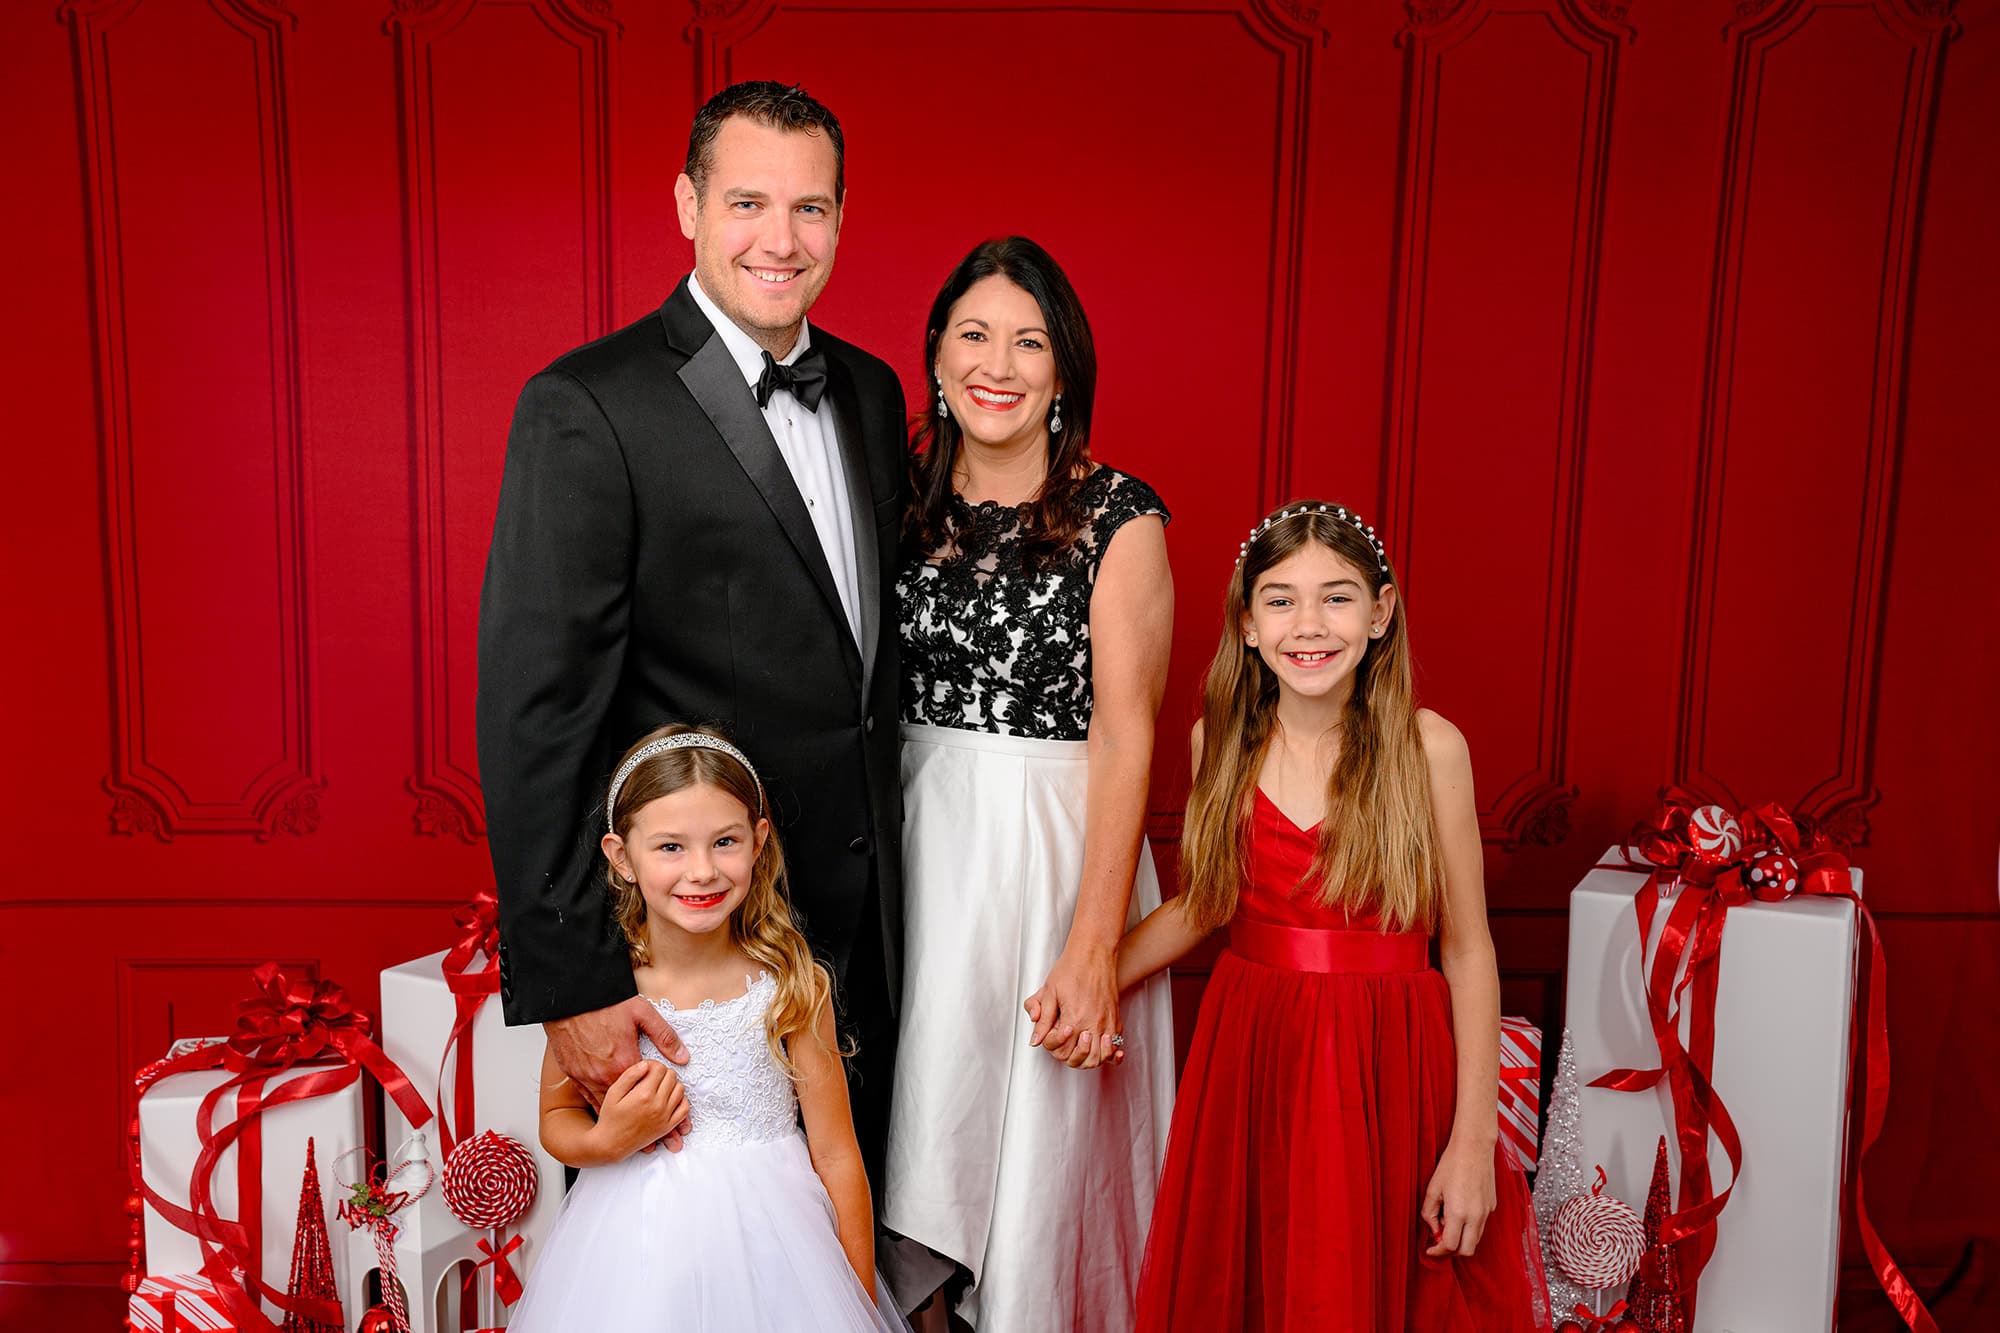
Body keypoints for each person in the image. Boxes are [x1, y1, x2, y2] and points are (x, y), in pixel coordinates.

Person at [476, 81, 906, 1174]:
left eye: (810, 209)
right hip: (690, 955)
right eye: (747, 202)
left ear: (842, 219)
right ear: (687, 204)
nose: (781, 238)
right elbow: (536, 717)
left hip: (870, 946)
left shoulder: (867, 389)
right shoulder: (586, 404)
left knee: (847, 1251)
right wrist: (571, 983)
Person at [1118, 502, 1550, 1331]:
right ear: (1247, 624)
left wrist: (1471, 1146)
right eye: (1280, 600)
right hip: (1254, 1056)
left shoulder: (1429, 750)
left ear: (1381, 613)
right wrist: (1091, 978)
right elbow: (1206, 903)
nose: (1308, 625)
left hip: (1391, 1061)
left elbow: (1466, 951)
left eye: (1337, 597)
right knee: (1256, 1277)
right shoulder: (1222, 742)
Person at [883, 237, 1177, 1331]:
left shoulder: (1120, 516)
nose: (995, 362)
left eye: (1027, 340)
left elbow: (1125, 733)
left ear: (1063, 374)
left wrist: (1094, 943)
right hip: (913, 847)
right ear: (935, 355)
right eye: (972, 333)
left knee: (1037, 1165)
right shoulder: (893, 496)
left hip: (1056, 853)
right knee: (917, 1125)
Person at [510, 724, 908, 1331]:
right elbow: (558, 1121)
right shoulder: (602, 999)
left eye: (724, 841)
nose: (702, 871)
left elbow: (835, 1153)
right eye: (670, 847)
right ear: (621, 857)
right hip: (636, 1249)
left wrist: (856, 1302)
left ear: (758, 841)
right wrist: (606, 1141)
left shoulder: (793, 985)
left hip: (779, 1245)